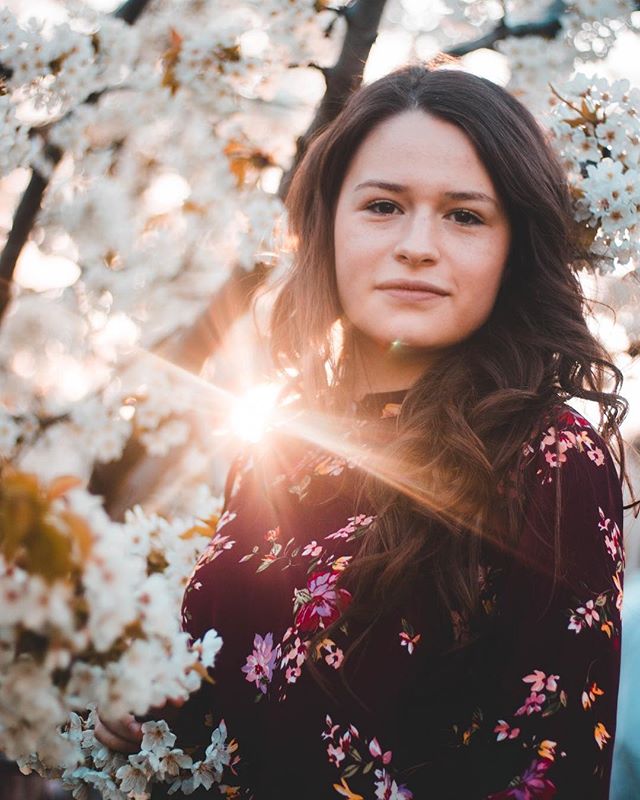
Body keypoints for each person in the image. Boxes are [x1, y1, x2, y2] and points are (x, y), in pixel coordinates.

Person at [96, 65, 629, 799]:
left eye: (465, 216)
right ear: (327, 226)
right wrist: (147, 713)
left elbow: (548, 768)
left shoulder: (548, 453)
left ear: (515, 250)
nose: (417, 245)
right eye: (383, 206)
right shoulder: (276, 446)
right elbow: (255, 709)